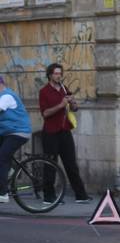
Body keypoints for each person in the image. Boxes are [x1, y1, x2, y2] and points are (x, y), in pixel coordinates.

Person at [39, 63, 91, 204]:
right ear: (50, 75)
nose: (58, 76)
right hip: (50, 132)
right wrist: (61, 105)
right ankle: (49, 196)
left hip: (64, 131)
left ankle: (81, 195)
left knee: (71, 164)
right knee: (50, 165)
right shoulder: (44, 91)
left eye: (60, 73)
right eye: (56, 73)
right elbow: (45, 113)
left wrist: (73, 104)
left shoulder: (64, 88)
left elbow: (73, 109)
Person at [0, 76, 31, 204]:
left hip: (19, 132)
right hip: (7, 132)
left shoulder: (6, 96)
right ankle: (10, 169)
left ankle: (3, 193)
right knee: (3, 159)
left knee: (2, 158)